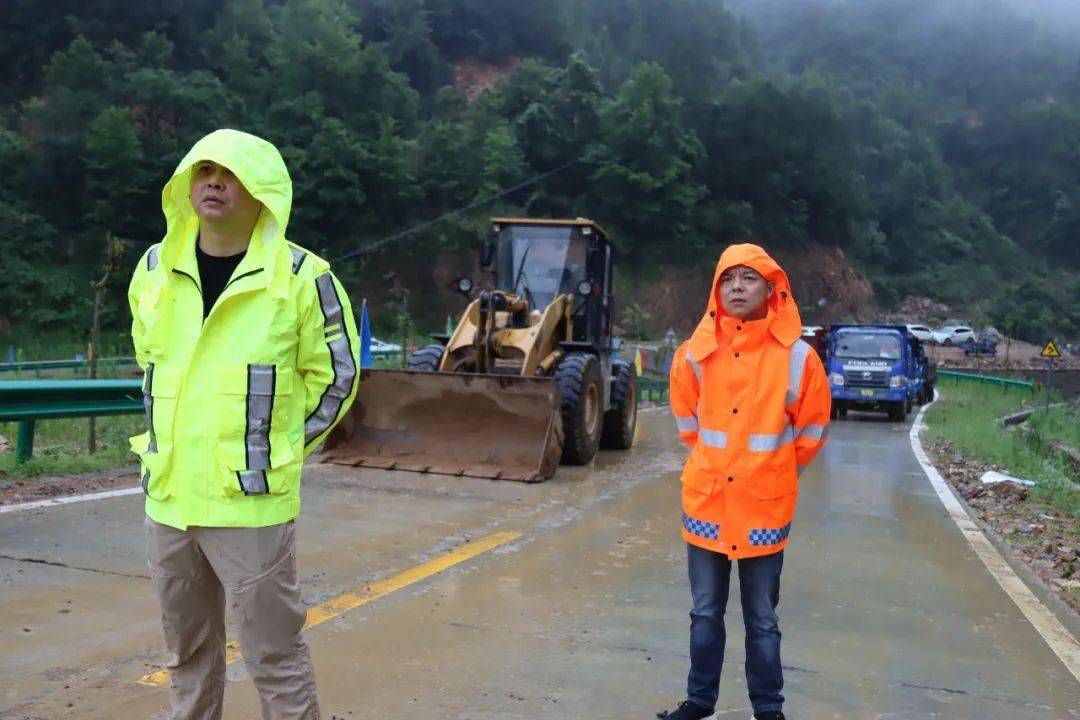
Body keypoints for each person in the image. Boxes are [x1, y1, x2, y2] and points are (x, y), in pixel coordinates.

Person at [128, 128, 359, 720]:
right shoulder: (154, 269)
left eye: (229, 173)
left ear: (260, 191)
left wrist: (274, 450)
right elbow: (148, 363)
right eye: (203, 170)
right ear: (186, 184)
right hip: (170, 499)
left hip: (249, 503)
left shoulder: (304, 278)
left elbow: (336, 377)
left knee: (274, 655)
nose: (213, 181)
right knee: (187, 654)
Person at [660, 244, 831, 720]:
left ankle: (768, 709)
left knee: (762, 619)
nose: (737, 287)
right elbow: (688, 425)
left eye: (748, 278)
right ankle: (699, 702)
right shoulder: (695, 355)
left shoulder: (798, 359)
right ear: (716, 289)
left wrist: (772, 471)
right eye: (728, 278)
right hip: (707, 504)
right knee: (704, 613)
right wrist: (719, 466)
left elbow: (811, 430)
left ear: (771, 290)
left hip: (763, 507)